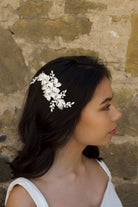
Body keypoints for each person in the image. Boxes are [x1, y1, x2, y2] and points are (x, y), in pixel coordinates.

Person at [5, 56, 123, 207]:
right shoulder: (25, 200)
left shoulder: (100, 170)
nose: (117, 114)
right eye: (105, 106)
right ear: (67, 116)